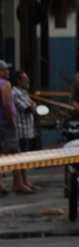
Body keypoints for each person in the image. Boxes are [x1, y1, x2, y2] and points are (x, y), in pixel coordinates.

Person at [2, 63, 34, 194]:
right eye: (5, 70)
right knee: (15, 154)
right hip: (9, 126)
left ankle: (18, 183)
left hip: (8, 125)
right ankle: (19, 184)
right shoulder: (6, 85)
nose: (8, 72)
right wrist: (11, 122)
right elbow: (6, 104)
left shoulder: (20, 91)